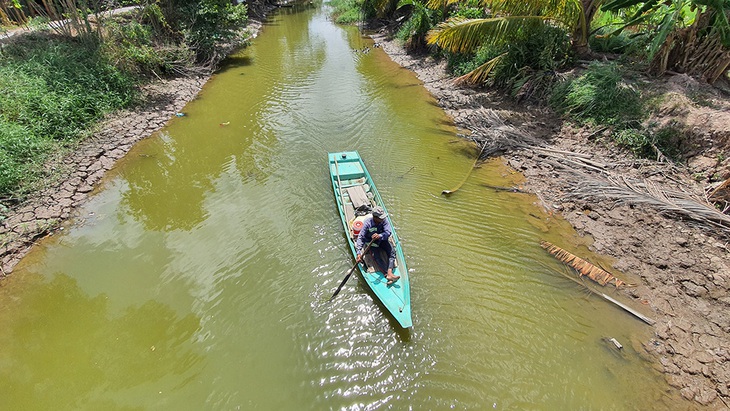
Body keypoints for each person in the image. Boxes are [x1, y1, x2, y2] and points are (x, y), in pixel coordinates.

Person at [355, 206, 400, 285]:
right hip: (372, 243)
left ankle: (390, 272)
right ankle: (386, 274)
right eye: (380, 218)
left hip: (382, 240)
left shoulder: (384, 221)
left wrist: (380, 235)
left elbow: (388, 232)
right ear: (375, 217)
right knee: (377, 256)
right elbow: (361, 237)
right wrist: (358, 253)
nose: (382, 219)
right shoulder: (367, 223)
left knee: (392, 252)